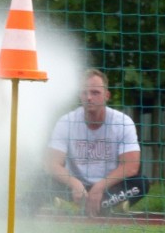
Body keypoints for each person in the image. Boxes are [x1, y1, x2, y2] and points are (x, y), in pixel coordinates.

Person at [42, 68, 151, 217]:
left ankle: (76, 207)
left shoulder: (123, 122)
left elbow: (131, 166)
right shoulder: (66, 121)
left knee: (141, 183)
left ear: (107, 96)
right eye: (85, 93)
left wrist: (100, 187)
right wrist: (74, 183)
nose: (89, 98)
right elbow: (52, 164)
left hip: (109, 187)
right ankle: (106, 207)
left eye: (95, 93)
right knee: (42, 181)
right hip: (74, 188)